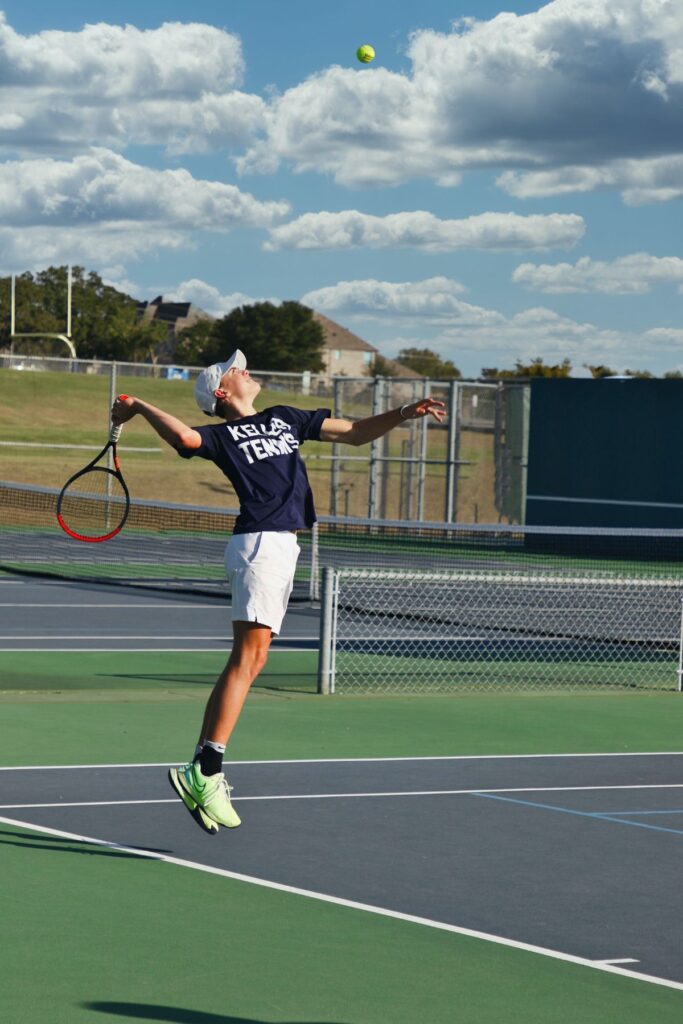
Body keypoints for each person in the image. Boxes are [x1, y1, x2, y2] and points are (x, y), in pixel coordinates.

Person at [111, 350, 445, 835]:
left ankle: (203, 767)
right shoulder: (219, 436)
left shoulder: (284, 419)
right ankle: (205, 770)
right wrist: (139, 405)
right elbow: (184, 437)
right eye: (234, 369)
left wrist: (402, 414)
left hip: (283, 545)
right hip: (259, 543)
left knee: (251, 659)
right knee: (249, 659)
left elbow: (352, 433)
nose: (245, 368)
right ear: (221, 393)